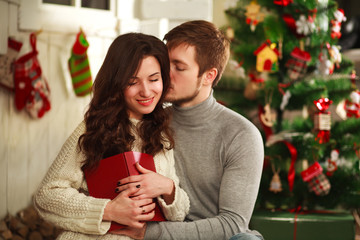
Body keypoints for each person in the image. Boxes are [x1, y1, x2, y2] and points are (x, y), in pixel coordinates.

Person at [33, 32, 190, 240]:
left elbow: (180, 213)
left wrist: (167, 187)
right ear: (117, 84)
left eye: (154, 79)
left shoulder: (159, 133)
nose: (146, 91)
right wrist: (108, 210)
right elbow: (46, 195)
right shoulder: (93, 129)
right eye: (133, 82)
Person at [118, 20, 265, 240]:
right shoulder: (150, 122)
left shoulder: (241, 135)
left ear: (209, 76)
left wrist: (150, 233)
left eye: (179, 67)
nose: (166, 74)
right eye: (166, 64)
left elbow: (233, 225)